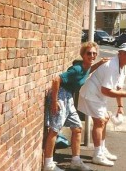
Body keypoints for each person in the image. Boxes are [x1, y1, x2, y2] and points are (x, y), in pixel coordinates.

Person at [43, 42, 108, 171]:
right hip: (60, 96)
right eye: (89, 53)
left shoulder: (86, 66)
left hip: (69, 98)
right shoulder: (77, 69)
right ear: (83, 55)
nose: (92, 55)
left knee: (77, 128)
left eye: (94, 53)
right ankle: (48, 165)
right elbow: (56, 80)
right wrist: (55, 101)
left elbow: (89, 70)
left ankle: (76, 161)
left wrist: (100, 63)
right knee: (55, 129)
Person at [78, 43, 126, 167]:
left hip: (99, 96)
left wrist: (120, 107)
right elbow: (106, 90)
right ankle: (97, 155)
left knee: (104, 120)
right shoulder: (112, 66)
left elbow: (118, 87)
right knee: (99, 121)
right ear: (120, 53)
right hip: (91, 94)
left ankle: (102, 149)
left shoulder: (124, 67)